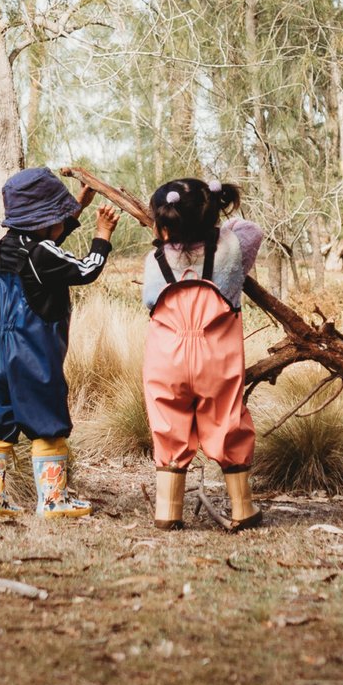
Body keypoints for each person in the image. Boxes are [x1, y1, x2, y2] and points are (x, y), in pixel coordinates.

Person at [0, 168, 119, 519]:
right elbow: (86, 269)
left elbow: (46, 245)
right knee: (47, 421)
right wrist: (102, 236)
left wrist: (76, 209)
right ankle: (54, 500)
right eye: (59, 215)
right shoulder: (44, 255)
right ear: (47, 220)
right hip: (32, 353)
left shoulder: (6, 246)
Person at [140, 178, 264, 530]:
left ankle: (167, 511)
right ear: (210, 214)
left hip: (166, 357)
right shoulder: (233, 246)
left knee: (167, 423)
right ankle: (242, 508)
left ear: (164, 226)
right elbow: (250, 229)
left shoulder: (154, 260)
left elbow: (150, 300)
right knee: (227, 421)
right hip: (216, 356)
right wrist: (215, 219)